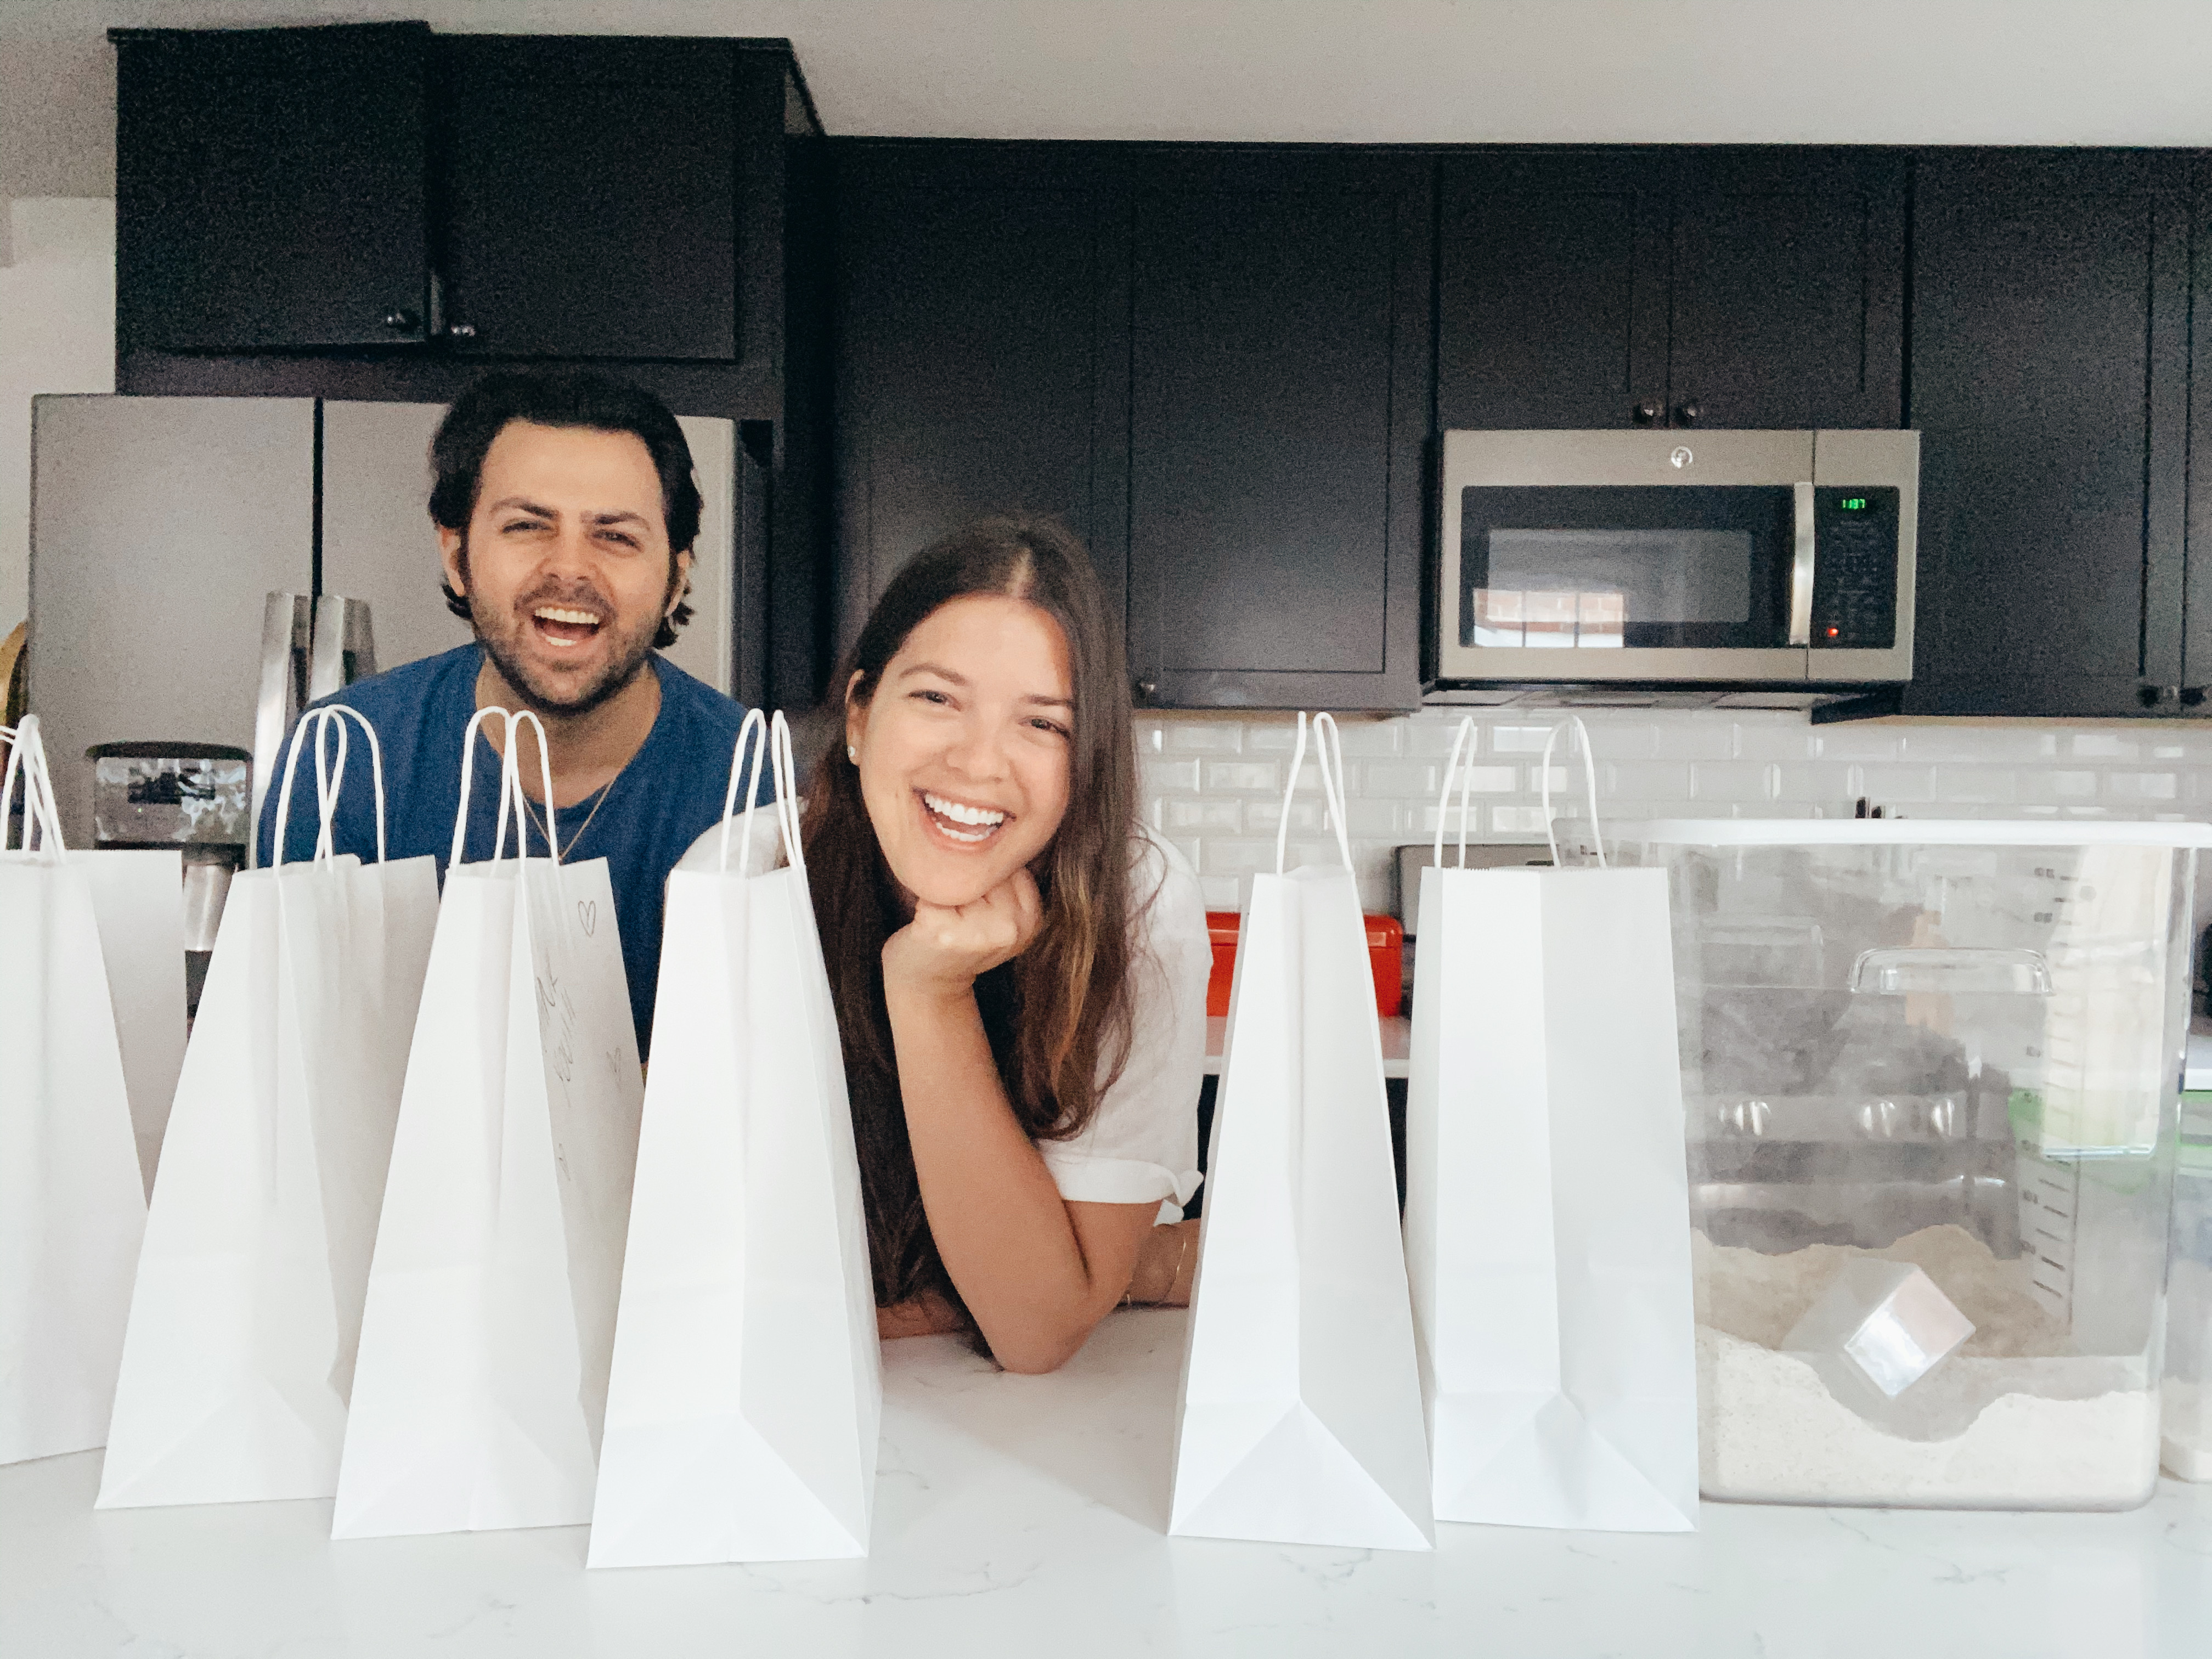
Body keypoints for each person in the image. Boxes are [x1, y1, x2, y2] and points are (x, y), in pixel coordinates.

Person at [256, 370, 761, 1055]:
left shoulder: (753, 788)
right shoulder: (345, 757)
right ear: (456, 553)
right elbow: (294, 1060)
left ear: (676, 577)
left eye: (615, 536)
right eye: (527, 526)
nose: (570, 570)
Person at [806, 516, 1209, 1375]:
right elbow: (714, 1270)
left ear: (1085, 764)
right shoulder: (749, 877)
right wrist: (1137, 1264)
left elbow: (1034, 1330)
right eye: (937, 698)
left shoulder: (1137, 906)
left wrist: (929, 993)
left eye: (1044, 725)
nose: (980, 763)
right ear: (858, 715)